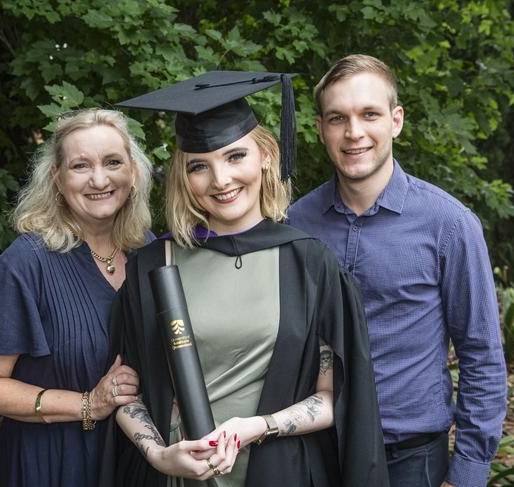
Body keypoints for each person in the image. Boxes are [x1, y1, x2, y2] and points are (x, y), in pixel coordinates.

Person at [100, 71, 389, 486]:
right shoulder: (150, 266)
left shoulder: (309, 263)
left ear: (266, 156)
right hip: (175, 478)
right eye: (200, 166)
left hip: (279, 474)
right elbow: (128, 393)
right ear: (183, 176)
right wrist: (160, 455)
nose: (221, 181)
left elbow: (332, 399)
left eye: (236, 156)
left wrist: (258, 425)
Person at [287, 54, 507, 487]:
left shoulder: (448, 224)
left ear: (396, 120)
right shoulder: (296, 224)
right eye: (337, 118)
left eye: (369, 114)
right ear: (319, 129)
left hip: (410, 461)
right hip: (315, 453)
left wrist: (466, 474)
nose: (354, 133)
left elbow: (482, 356)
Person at [0, 108, 154, 486]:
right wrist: (88, 404)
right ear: (57, 178)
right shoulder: (26, 262)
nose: (99, 179)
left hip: (134, 460)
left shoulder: (147, 252)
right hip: (52, 462)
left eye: (113, 162)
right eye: (80, 166)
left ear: (132, 170)